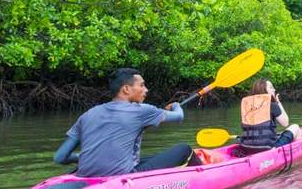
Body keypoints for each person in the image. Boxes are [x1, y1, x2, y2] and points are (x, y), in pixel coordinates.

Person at [53, 68, 200, 176]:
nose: (146, 90)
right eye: (141, 85)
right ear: (126, 89)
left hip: (86, 175)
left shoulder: (88, 115)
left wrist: (83, 157)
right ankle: (203, 176)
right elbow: (179, 116)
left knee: (148, 158)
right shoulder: (141, 110)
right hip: (123, 177)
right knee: (184, 149)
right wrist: (176, 106)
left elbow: (60, 157)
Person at [237, 79, 302, 149]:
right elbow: (285, 123)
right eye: (271, 87)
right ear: (263, 89)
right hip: (269, 146)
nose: (274, 89)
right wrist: (278, 103)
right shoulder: (272, 105)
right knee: (295, 127)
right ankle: (299, 150)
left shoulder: (247, 106)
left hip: (246, 146)